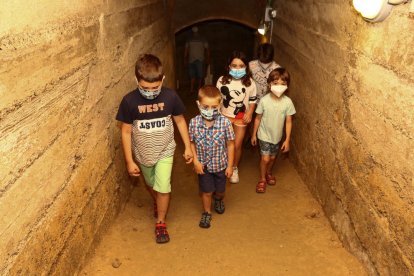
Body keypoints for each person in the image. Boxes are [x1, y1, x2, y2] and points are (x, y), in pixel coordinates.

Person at [116, 54, 193, 243]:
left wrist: (188, 147)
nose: (150, 92)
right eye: (145, 88)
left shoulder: (170, 96)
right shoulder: (129, 101)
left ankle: (160, 222)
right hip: (143, 154)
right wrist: (129, 161)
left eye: (155, 88)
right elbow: (126, 132)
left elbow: (180, 121)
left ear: (162, 80)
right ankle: (157, 200)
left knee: (164, 187)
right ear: (137, 80)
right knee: (152, 185)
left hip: (165, 150)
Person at [189, 85, 235, 228]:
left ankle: (219, 199)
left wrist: (230, 165)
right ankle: (207, 213)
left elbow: (230, 145)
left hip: (220, 165)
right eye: (205, 107)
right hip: (203, 166)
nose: (210, 111)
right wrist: (195, 161)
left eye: (214, 107)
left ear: (220, 105)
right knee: (206, 191)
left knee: (219, 191)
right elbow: (192, 143)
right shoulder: (194, 123)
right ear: (199, 104)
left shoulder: (225, 123)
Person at [251, 68, 296, 193]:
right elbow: (257, 119)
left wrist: (287, 140)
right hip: (263, 135)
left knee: (272, 158)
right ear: (269, 84)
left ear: (287, 86)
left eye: (283, 84)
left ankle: (268, 172)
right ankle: (262, 179)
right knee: (265, 158)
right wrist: (254, 134)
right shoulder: (264, 101)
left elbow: (288, 121)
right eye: (276, 83)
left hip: (277, 136)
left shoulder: (288, 102)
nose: (279, 87)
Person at [216, 51, 257, 184]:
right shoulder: (222, 80)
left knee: (237, 145)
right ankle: (223, 166)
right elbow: (217, 99)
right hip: (224, 116)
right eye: (234, 65)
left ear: (246, 67)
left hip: (241, 117)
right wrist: (216, 115)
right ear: (229, 66)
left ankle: (234, 168)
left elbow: (252, 100)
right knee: (224, 144)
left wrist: (250, 113)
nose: (237, 69)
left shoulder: (250, 82)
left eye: (241, 66)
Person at [184, 26, 210, 96]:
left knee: (199, 75)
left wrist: (208, 58)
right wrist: (185, 58)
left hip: (199, 59)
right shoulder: (189, 39)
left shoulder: (202, 39)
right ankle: (192, 89)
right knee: (193, 75)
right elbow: (186, 50)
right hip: (192, 60)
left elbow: (207, 49)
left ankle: (198, 89)